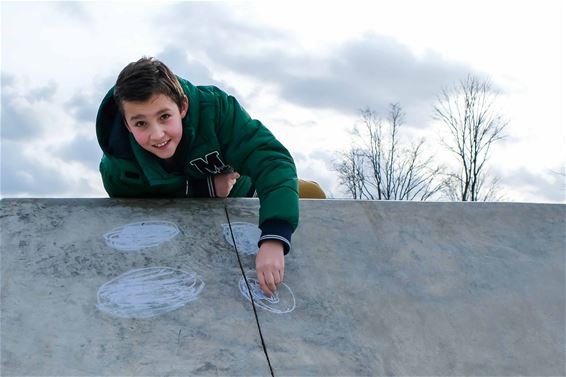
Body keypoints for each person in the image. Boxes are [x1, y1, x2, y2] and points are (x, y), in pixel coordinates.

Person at [95, 57, 325, 296]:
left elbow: (270, 158)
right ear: (127, 125)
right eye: (141, 123)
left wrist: (274, 237)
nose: (157, 134)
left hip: (244, 193)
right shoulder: (118, 169)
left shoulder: (216, 110)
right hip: (187, 216)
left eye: (164, 116)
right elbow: (145, 212)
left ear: (182, 106)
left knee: (312, 195)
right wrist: (202, 189)